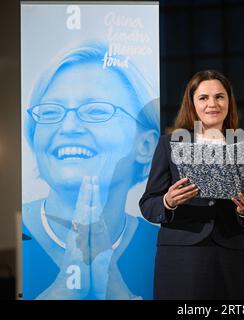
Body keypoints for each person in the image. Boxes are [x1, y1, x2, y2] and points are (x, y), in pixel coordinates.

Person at [22, 42, 160, 300]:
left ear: (145, 145)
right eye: (51, 112)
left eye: (97, 110)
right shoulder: (11, 234)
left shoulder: (162, 246)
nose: (69, 126)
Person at [139, 70, 244, 300]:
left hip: (227, 254)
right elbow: (148, 204)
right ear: (192, 103)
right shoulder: (170, 144)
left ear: (229, 101)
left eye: (219, 97)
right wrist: (168, 201)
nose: (212, 104)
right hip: (180, 255)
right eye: (203, 98)